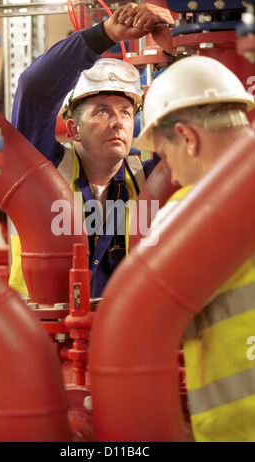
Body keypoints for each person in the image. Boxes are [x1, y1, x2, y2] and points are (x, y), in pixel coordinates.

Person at [9, 2, 175, 299]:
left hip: (120, 335)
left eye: (126, 112)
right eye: (101, 111)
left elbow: (191, 126)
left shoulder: (148, 180)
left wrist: (175, 53)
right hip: (45, 334)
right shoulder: (43, 170)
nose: (117, 123)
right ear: (73, 130)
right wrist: (105, 34)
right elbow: (34, 90)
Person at [135, 55, 255, 442]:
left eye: (166, 158)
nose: (170, 173)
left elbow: (139, 325)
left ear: (187, 138)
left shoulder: (189, 210)